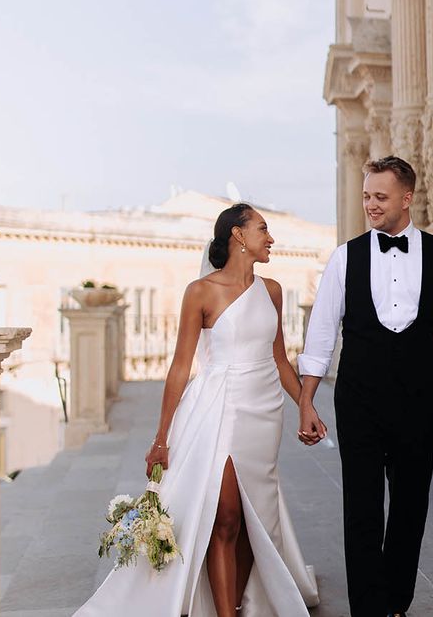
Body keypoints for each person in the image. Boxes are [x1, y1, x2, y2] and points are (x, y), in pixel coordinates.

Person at [75, 203, 321, 617]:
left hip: (265, 413)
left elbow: (280, 359)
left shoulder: (273, 290)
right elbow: (179, 367)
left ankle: (239, 601)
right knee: (224, 515)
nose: (271, 238)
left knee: (251, 518)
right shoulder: (200, 292)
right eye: (263, 229)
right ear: (238, 236)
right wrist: (161, 438)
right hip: (220, 406)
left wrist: (306, 407)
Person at [297, 157, 433, 617]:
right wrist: (306, 401)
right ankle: (369, 609)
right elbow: (319, 336)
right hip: (358, 397)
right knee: (362, 508)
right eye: (366, 196)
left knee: (412, 504)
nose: (370, 205)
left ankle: (396, 602)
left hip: (417, 396)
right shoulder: (344, 257)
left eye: (380, 196)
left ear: (406, 198)